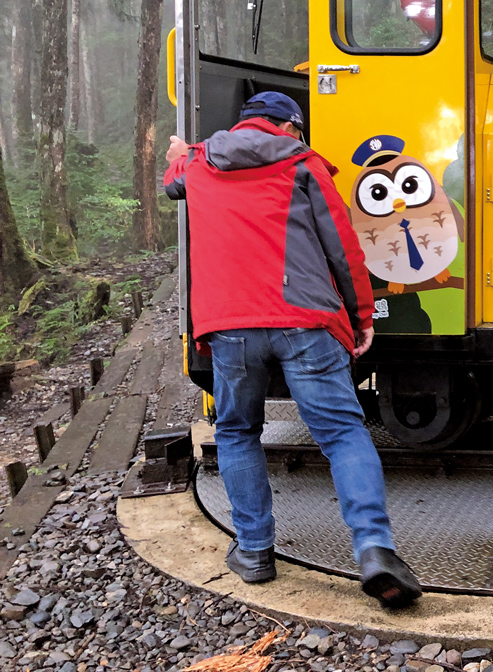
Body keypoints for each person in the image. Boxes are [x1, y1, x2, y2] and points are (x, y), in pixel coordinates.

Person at [164, 91, 422, 608]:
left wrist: (178, 151)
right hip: (304, 320)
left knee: (237, 431)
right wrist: (362, 315)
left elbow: (172, 183)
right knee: (343, 433)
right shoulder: (302, 164)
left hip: (229, 327)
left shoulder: (197, 162)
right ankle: (374, 550)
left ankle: (256, 551)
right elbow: (343, 246)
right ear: (291, 128)